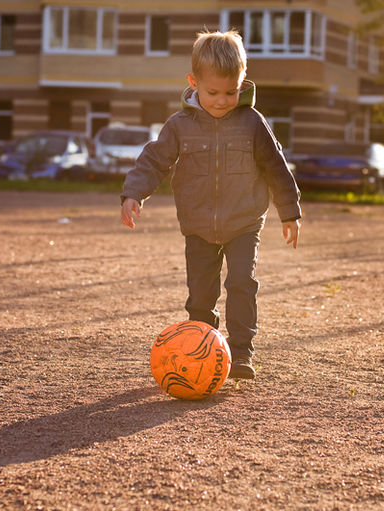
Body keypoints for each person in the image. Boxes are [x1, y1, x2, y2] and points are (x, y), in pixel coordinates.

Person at [120, 30, 301, 380]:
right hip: (198, 224)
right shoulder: (179, 126)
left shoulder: (252, 124)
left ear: (242, 81)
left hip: (244, 221)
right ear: (193, 82)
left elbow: (276, 167)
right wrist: (133, 194)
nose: (221, 101)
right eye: (213, 92)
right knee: (201, 293)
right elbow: (153, 162)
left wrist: (289, 211)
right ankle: (200, 346)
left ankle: (242, 351)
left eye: (231, 92)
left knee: (241, 282)